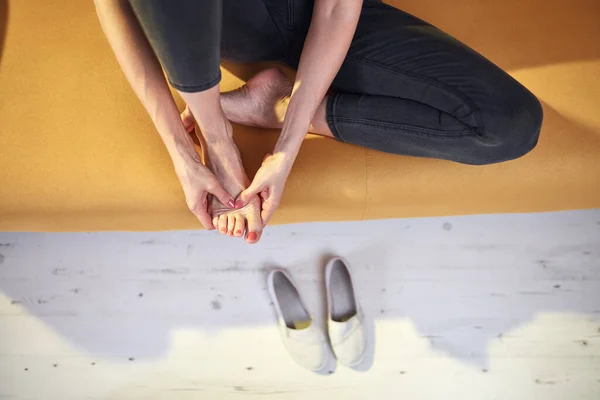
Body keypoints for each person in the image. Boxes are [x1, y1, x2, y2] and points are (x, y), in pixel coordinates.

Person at [94, 0, 543, 244]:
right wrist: (182, 151)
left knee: (510, 124)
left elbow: (335, 8)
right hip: (218, 19)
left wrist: (290, 135)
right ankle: (218, 134)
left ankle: (270, 103)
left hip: (318, 13)